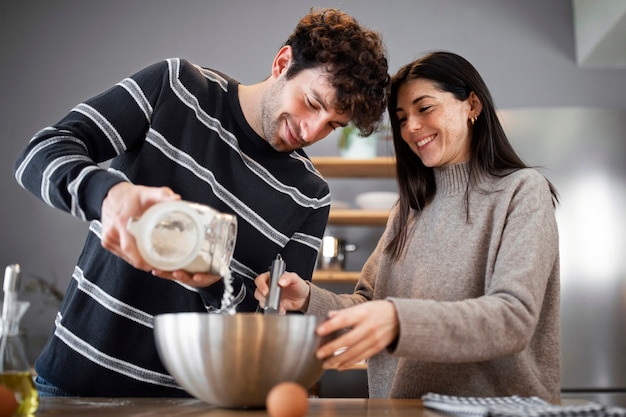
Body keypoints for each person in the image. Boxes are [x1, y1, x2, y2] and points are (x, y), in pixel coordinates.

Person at [13, 8, 389, 397]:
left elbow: (271, 328)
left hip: (190, 405)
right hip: (73, 385)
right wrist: (109, 196)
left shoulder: (309, 194)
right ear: (282, 64)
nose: (312, 131)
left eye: (332, 124)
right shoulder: (175, 87)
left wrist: (216, 284)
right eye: (311, 102)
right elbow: (40, 152)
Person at [255, 51, 561, 402]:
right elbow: (371, 305)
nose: (411, 127)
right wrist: (308, 299)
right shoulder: (408, 211)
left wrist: (399, 320)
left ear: (472, 105)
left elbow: (513, 318)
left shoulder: (521, 191)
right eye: (401, 118)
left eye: (425, 108)